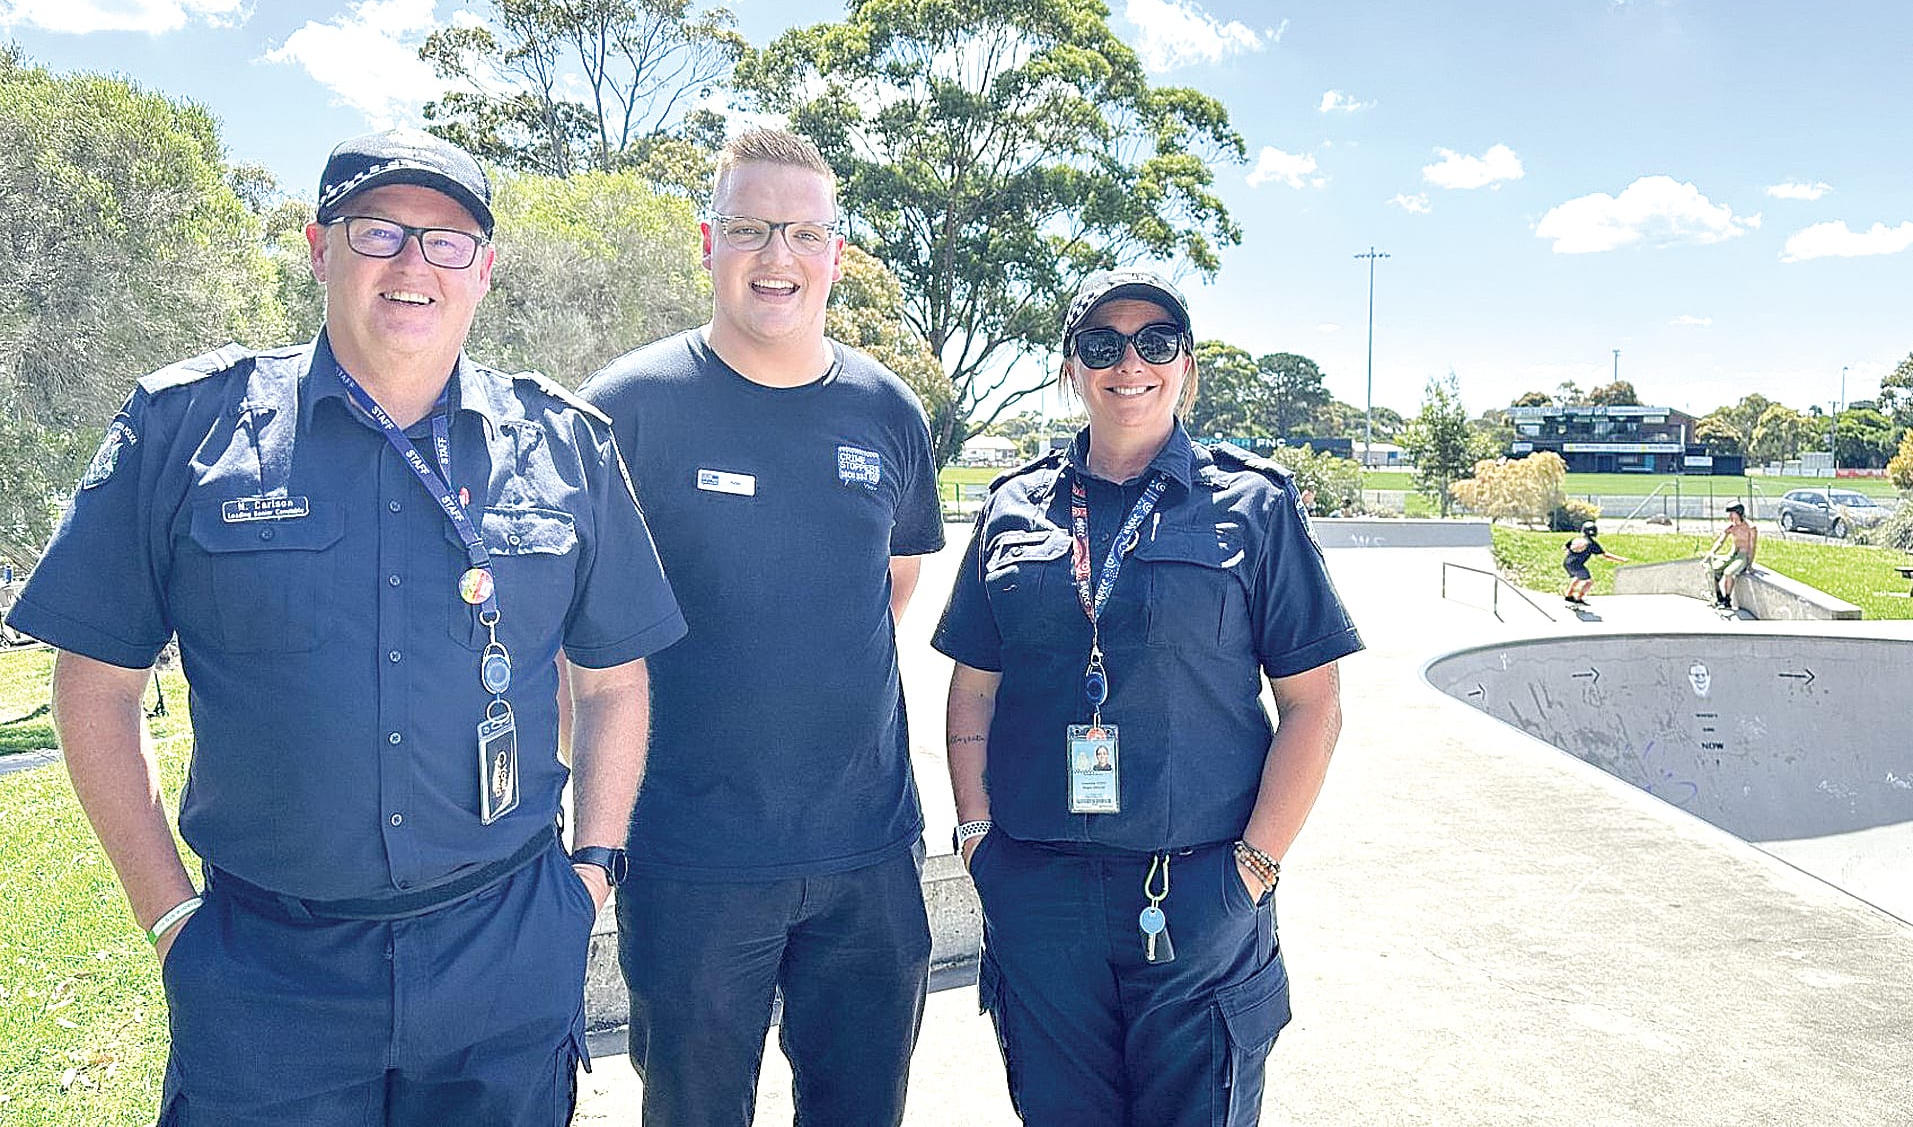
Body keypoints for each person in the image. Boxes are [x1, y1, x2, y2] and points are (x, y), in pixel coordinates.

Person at [5, 127, 686, 1124]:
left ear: (483, 271)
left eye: (447, 241)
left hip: (504, 955)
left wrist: (592, 870)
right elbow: (95, 687)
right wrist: (170, 921)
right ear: (321, 250)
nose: (414, 265)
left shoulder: (566, 447)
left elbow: (613, 679)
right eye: (380, 233)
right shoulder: (188, 429)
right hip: (266, 974)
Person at [933, 269, 1364, 1125]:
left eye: (1154, 342)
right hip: (1039, 891)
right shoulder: (1013, 508)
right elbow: (972, 688)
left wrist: (1254, 868)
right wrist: (978, 839)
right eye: (1100, 344)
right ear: (1070, 369)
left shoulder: (1253, 503)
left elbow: (1314, 706)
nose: (1128, 363)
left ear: (1186, 366)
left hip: (1197, 893)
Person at [579, 127, 944, 1126]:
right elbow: (580, 634)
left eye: (801, 232)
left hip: (866, 853)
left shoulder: (887, 412)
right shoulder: (628, 408)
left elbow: (891, 582)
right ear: (706, 241)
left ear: (835, 252)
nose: (774, 256)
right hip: (691, 856)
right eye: (748, 228)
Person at [1562, 520, 1627, 605]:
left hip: (1567, 563)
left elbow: (1564, 547)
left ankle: (1568, 595)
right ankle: (1579, 598)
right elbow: (1605, 555)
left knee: (1577, 578)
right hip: (1577, 565)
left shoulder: (1576, 539)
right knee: (1589, 582)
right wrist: (1620, 559)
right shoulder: (1592, 543)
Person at [1706, 502, 1757, 609]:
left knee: (1728, 573)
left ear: (1739, 513)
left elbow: (1752, 547)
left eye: (1732, 514)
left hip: (1743, 555)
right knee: (1713, 570)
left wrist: (1750, 564)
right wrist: (1712, 552)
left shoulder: (1750, 527)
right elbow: (1721, 541)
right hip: (1733, 553)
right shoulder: (1731, 527)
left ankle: (1727, 600)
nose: (1729, 517)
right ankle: (1719, 596)